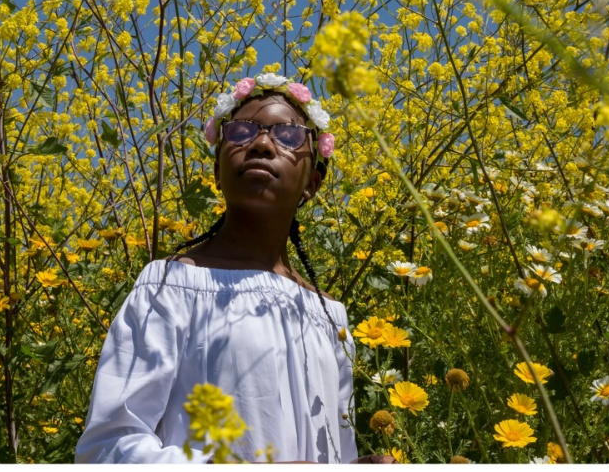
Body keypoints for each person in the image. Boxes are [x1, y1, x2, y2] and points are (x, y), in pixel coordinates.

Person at [75, 74, 395, 464]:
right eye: (241, 132)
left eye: (289, 136)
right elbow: (108, 450)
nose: (261, 144)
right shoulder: (168, 288)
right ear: (216, 171)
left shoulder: (331, 316)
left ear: (312, 183)